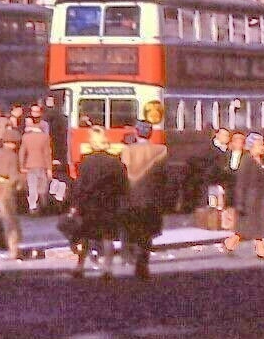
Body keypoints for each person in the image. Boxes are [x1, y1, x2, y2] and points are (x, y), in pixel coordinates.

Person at [66, 127, 128, 279]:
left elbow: (79, 185)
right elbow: (123, 185)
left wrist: (75, 205)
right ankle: (107, 268)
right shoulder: (114, 162)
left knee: (86, 236)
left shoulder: (86, 162)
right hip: (108, 203)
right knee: (108, 237)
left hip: (90, 203)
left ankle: (80, 267)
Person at [120, 121, 168, 279]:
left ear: (136, 132)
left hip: (131, 195)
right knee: (147, 231)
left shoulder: (128, 150)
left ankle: (129, 256)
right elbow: (163, 177)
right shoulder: (161, 150)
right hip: (151, 197)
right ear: (151, 133)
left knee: (130, 226)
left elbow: (124, 172)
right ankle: (143, 260)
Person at [225, 132, 264, 260]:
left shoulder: (262, 161)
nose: (263, 147)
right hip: (249, 200)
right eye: (259, 145)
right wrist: (240, 203)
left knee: (256, 226)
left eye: (262, 144)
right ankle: (260, 249)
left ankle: (231, 243)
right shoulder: (246, 161)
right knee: (253, 227)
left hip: (260, 198)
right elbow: (241, 183)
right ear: (251, 146)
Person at [0, 128, 25, 259]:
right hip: (5, 188)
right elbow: (14, 177)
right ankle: (14, 248)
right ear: (13, 143)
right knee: (10, 220)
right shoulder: (12, 156)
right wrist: (20, 186)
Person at [20, 109, 54, 214]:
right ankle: (42, 204)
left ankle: (32, 206)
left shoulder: (25, 137)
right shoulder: (45, 137)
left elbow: (22, 152)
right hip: (42, 164)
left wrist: (22, 165)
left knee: (32, 185)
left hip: (30, 165)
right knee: (42, 185)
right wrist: (49, 168)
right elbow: (47, 153)